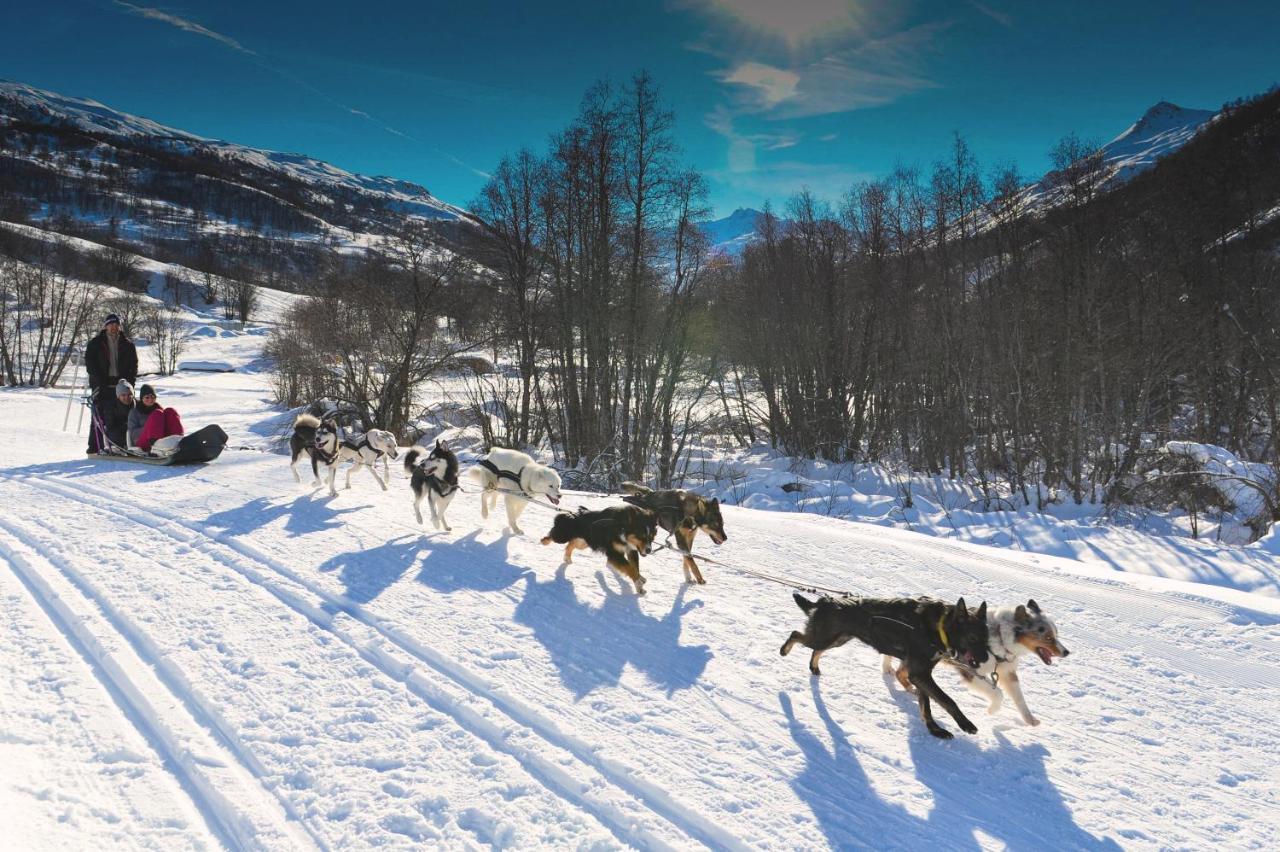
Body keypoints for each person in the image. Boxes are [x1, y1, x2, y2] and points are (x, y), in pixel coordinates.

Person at [85, 313, 138, 453]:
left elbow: (134, 366)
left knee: (125, 415)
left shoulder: (128, 344)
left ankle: (124, 445)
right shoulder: (95, 343)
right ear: (105, 326)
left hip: (122, 386)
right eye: (111, 324)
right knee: (99, 416)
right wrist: (98, 382)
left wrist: (130, 383)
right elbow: (90, 365)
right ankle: (94, 447)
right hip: (102, 385)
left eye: (116, 324)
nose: (114, 327)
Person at [128, 383, 185, 452]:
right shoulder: (135, 412)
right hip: (141, 442)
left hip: (161, 441)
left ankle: (179, 440)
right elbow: (132, 433)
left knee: (170, 411)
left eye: (152, 397)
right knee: (157, 413)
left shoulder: (159, 410)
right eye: (147, 397)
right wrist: (149, 427)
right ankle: (155, 445)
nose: (150, 399)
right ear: (141, 398)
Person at [95, 379, 135, 452]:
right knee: (114, 432)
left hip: (133, 433)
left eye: (130, 394)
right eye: (123, 395)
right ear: (118, 396)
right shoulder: (111, 407)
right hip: (117, 433)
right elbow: (110, 425)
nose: (127, 397)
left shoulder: (137, 405)